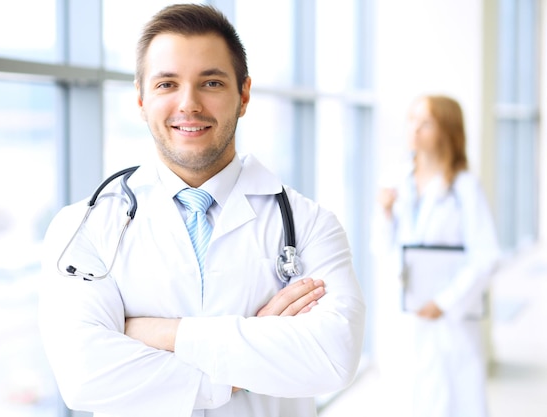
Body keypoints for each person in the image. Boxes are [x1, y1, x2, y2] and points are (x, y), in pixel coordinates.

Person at [38, 4, 366, 417]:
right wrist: (244, 368)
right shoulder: (84, 226)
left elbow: (333, 357)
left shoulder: (311, 224)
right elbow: (85, 376)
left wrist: (162, 333)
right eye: (167, 85)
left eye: (211, 82)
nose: (189, 104)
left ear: (243, 95)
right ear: (140, 99)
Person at [371, 94, 500, 417]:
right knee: (404, 400)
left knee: (450, 401)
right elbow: (381, 250)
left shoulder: (465, 188)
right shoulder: (394, 181)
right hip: (405, 315)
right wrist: (385, 215)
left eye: (425, 123)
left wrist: (444, 302)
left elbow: (486, 256)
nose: (414, 129)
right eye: (412, 120)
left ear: (447, 131)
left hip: (447, 319)